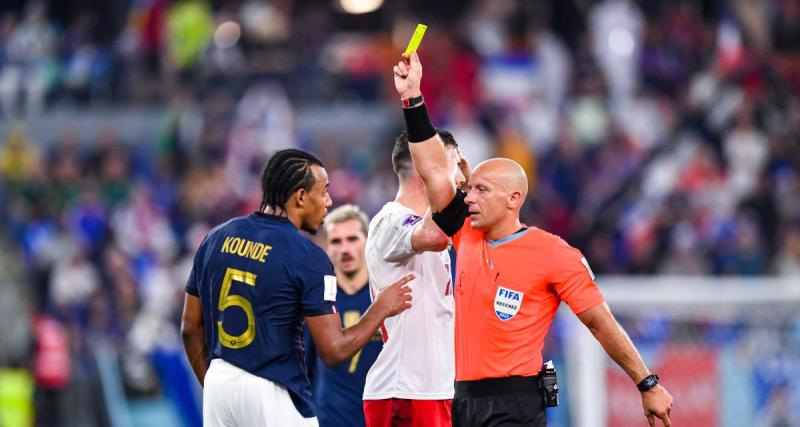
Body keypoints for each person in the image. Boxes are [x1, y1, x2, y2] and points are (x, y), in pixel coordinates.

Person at [392, 53, 674, 427]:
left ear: (514, 199)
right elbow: (430, 169)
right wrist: (412, 97)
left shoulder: (553, 253)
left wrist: (647, 383)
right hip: (462, 401)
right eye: (469, 188)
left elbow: (600, 322)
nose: (469, 197)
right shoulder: (464, 231)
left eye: (481, 190)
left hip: (516, 404)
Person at [180, 149, 414, 426]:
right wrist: (381, 307)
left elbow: (190, 327)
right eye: (323, 191)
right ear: (301, 197)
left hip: (219, 385)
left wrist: (214, 384)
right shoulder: (308, 256)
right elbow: (333, 350)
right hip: (272, 389)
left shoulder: (215, 238)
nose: (329, 202)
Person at [362, 129, 466, 427]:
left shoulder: (430, 225)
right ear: (426, 169)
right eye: (454, 164)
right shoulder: (391, 220)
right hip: (404, 392)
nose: (461, 178)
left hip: (433, 389)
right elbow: (433, 236)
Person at [305, 204, 383, 427]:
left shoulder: (386, 295)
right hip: (329, 419)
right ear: (326, 247)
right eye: (336, 242)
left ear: (368, 241)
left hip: (381, 417)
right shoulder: (316, 299)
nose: (345, 249)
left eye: (352, 239)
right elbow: (304, 366)